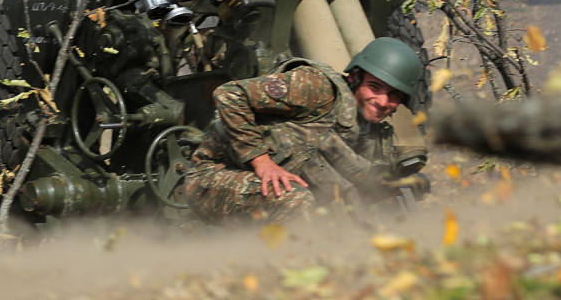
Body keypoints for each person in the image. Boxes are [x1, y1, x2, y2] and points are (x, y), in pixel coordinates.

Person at [181, 37, 425, 225]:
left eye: (394, 95)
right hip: (212, 178)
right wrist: (262, 162)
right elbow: (230, 94)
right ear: (356, 78)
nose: (383, 101)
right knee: (297, 202)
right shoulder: (317, 88)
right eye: (375, 87)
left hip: (269, 194)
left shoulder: (372, 136)